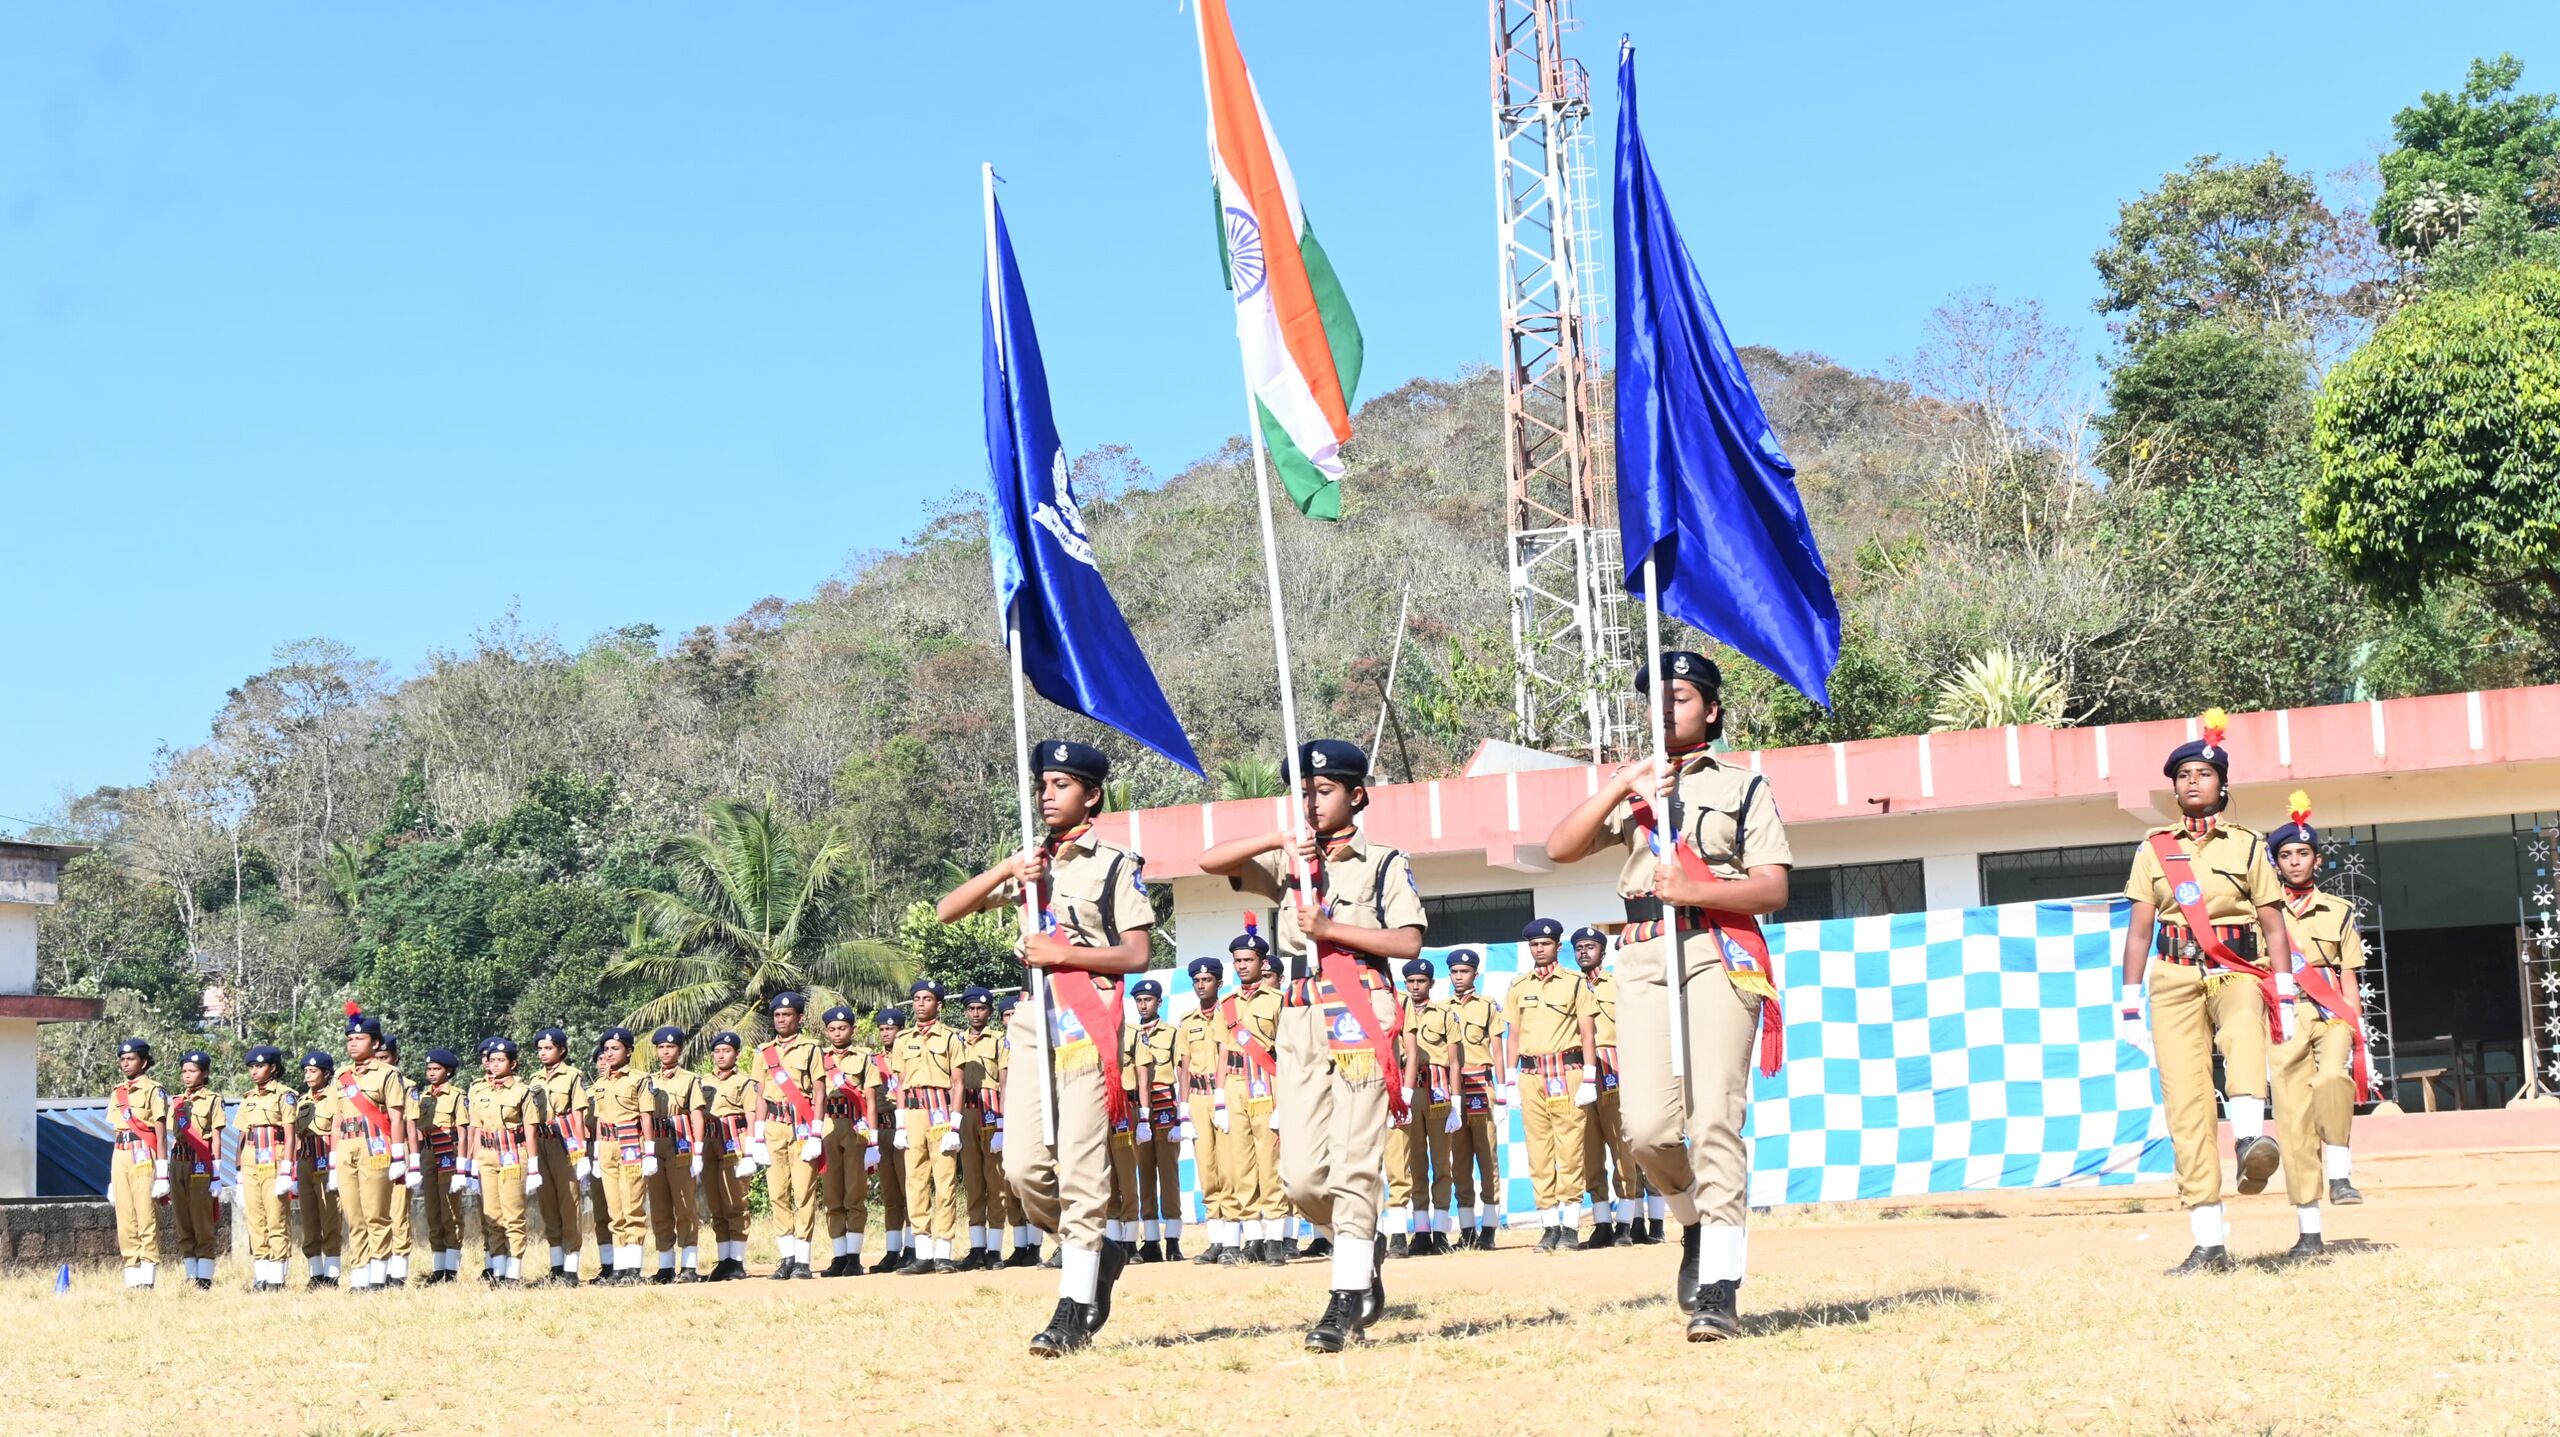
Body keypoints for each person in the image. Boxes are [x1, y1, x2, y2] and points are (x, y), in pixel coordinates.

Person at [1544, 651, 1794, 1340]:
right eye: (1653, 699)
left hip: (1718, 948)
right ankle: (1694, 1223)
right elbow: (1558, 847)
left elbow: (1773, 886)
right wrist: (1623, 782)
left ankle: (1720, 1285)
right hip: (1643, 956)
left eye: (1679, 697)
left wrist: (1696, 887)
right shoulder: (1636, 790)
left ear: (1710, 710)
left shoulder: (1744, 786)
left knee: (1713, 1118)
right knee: (1647, 1131)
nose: (1663, 709)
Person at [1200, 738, 1427, 1353]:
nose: (1311, 801)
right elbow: (1210, 861)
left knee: (1354, 1162)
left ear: (1356, 795)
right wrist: (1279, 839)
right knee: (1301, 1177)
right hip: (1298, 1018)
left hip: (1359, 1011)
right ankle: (1361, 1242)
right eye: (1301, 792)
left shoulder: (1383, 862)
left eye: (1323, 790)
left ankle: (1345, 1298)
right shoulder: (1291, 862)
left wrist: (1330, 928)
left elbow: (1408, 942)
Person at [936, 738, 1154, 1356]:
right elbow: (948, 911)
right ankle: (1099, 1251)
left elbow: (1137, 954)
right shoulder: (1033, 865)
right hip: (1034, 1023)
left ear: (1092, 795)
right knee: (1023, 1168)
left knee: (1082, 1167)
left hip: (1088, 1018)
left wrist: (1061, 952)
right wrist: (1009, 870)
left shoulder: (1114, 864)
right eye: (1043, 785)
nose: (1047, 795)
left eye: (1062, 785)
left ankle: (1073, 1306)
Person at [2115, 710, 2300, 1273]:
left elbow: (2273, 925)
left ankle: (2248, 1140)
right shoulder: (2154, 850)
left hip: (2236, 967)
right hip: (2172, 978)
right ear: (2174, 788)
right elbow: (2140, 931)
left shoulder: (2248, 846)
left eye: (2204, 774)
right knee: (2186, 1106)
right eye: (2183, 775)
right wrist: (2128, 1002)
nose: (2192, 782)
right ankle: (2209, 1242)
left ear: (2223, 785)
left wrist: (2285, 990)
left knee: (2242, 1030)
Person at [2270, 793, 2367, 1230]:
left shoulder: (2339, 911)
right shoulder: (2264, 913)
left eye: (2303, 853)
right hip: (2285, 1015)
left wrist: (2354, 1023)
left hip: (2331, 1014)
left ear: (2318, 859)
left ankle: (2340, 1175)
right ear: (2276, 863)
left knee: (2331, 1080)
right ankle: (2309, 1227)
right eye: (2286, 855)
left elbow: (2349, 974)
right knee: (2294, 1118)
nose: (2295, 862)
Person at [1502, 919, 1599, 1252]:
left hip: (1567, 1072)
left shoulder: (1575, 983)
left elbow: (1588, 1032)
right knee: (1538, 1151)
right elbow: (1513, 1036)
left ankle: (1570, 1226)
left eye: (1545, 943)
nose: (1539, 949)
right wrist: (1509, 1081)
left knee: (1570, 1149)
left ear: (1558, 946)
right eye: (1534, 944)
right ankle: (1549, 1225)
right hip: (1531, 1076)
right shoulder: (1518, 985)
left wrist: (1589, 1077)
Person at [1575, 924, 1651, 1247]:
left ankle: (1628, 1223)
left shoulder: (1617, 984)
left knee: (1622, 1148)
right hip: (1580, 1071)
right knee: (1589, 1151)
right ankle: (1602, 1223)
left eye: (1590, 947)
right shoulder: (1570, 986)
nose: (1584, 952)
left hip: (1614, 1067)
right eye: (1579, 948)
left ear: (1603, 953)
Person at [1217, 928, 1286, 1264]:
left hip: (1267, 1083)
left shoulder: (1277, 1001)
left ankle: (1275, 1240)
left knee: (1270, 1162)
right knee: (1240, 1164)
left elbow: (1287, 1052)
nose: (1242, 966)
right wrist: (1218, 1097)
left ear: (1263, 963)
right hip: (1234, 1084)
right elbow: (1221, 1051)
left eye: (1248, 960)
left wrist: (1285, 1100)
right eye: (1237, 961)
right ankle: (1254, 1238)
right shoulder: (1226, 1004)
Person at [891, 978, 968, 1274]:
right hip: (912, 1114)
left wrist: (955, 1126)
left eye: (927, 999)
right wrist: (899, 1124)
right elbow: (900, 1084)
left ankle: (943, 1252)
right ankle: (922, 1253)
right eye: (917, 999)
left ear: (939, 1005)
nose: (920, 1004)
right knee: (915, 1181)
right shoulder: (902, 1039)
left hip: (941, 1114)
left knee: (945, 1182)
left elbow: (958, 1084)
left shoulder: (950, 1038)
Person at [1386, 957, 1455, 1258]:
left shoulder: (1444, 1013)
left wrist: (1457, 1102)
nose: (1415, 986)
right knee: (1413, 1164)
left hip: (1437, 1091)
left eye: (1421, 981)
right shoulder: (1395, 1009)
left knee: (1441, 1163)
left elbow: (1455, 1060)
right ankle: (1421, 1231)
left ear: (1431, 983)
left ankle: (1440, 1232)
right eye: (1411, 981)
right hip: (1408, 1090)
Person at [756, 992, 827, 1280]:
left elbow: (819, 1093)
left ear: (799, 1018)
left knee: (804, 1193)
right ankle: (787, 1257)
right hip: (773, 1126)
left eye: (787, 1015)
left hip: (801, 1127)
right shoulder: (764, 1052)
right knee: (777, 1194)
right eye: (777, 1015)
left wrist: (817, 1133)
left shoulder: (811, 1049)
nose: (781, 1019)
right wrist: (757, 1137)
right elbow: (760, 1095)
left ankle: (803, 1261)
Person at [467, 1036, 543, 1287]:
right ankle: (498, 1271)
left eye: (501, 1060)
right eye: (492, 1060)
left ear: (513, 1063)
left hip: (513, 1154)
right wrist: (472, 1163)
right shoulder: (479, 1091)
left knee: (513, 1215)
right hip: (487, 1155)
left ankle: (513, 1272)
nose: (495, 1064)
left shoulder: (523, 1092)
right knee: (492, 1215)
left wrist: (534, 1166)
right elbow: (476, 1129)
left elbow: (530, 1130)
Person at [1442, 950, 1505, 1250]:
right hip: (1454, 1089)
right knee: (1459, 1160)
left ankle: (1489, 1228)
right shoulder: (1441, 1008)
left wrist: (1503, 1090)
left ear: (1475, 975)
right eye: (1454, 972)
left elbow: (1498, 1049)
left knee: (1487, 1156)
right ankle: (1467, 1230)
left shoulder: (1487, 1005)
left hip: (1481, 1084)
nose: (1459, 977)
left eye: (1464, 972)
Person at [1174, 957, 1236, 1264]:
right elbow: (1183, 1068)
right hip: (1198, 1098)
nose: (1201, 985)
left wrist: (1224, 1099)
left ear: (1219, 983)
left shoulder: (1230, 1015)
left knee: (1230, 1169)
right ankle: (1216, 1241)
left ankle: (1235, 1241)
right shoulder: (1187, 1021)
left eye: (1207, 980)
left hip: (1225, 1095)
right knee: (1207, 1171)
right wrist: (1183, 1110)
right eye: (1197, 981)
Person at [588, 1026, 659, 1286]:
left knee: (632, 1208)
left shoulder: (639, 1079)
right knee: (614, 1211)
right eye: (606, 1049)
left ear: (629, 1051)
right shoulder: (600, 1083)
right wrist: (597, 1153)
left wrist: (649, 1151)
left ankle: (633, 1269)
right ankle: (618, 1268)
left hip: (630, 1143)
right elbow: (599, 1119)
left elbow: (646, 1116)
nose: (609, 1054)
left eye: (615, 1049)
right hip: (607, 1145)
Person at [647, 1025, 710, 1283]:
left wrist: (699, 1151)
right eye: (661, 1047)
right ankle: (665, 1267)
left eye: (670, 1047)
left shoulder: (689, 1079)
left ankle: (689, 1266)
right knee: (659, 1206)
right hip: (655, 1143)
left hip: (680, 1145)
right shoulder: (648, 1080)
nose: (665, 1051)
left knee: (685, 1206)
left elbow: (697, 1115)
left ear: (680, 1050)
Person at [816, 1003, 875, 1277]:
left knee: (854, 1193)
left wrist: (873, 1141)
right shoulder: (819, 1058)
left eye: (842, 1028)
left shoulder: (863, 1057)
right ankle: (838, 1256)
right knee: (832, 1195)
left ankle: (854, 1257)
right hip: (828, 1127)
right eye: (832, 1029)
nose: (837, 1033)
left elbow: (870, 1101)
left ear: (853, 1029)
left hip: (855, 1128)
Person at [529, 1026, 591, 1286]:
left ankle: (571, 1269)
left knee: (568, 1202)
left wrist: (582, 1153)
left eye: (549, 1048)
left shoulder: (573, 1076)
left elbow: (578, 1115)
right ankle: (556, 1267)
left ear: (561, 1050)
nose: (543, 1053)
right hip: (541, 1142)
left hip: (565, 1143)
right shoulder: (534, 1079)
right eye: (540, 1049)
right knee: (548, 1203)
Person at [1129, 977, 1185, 1263]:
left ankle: (1173, 1240)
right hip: (1139, 1108)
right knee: (1144, 1174)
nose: (1143, 1005)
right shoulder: (1130, 1034)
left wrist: (1182, 1115)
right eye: (1139, 1000)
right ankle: (1150, 1241)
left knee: (1168, 1173)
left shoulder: (1172, 1033)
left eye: (1148, 1000)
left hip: (1164, 1105)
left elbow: (1182, 1071)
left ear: (1159, 1002)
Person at [108, 1037, 170, 1290]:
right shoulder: (117, 1092)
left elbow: (161, 1133)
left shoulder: (154, 1090)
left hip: (144, 1152)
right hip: (121, 1152)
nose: (125, 1063)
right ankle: (132, 1278)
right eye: (122, 1059)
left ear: (143, 1062)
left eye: (131, 1059)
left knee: (145, 1214)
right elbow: (116, 1131)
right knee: (125, 1218)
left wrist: (163, 1172)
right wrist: (112, 1177)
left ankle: (147, 1277)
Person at [235, 1046, 299, 1293]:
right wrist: (238, 1172)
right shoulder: (248, 1097)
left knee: (276, 1218)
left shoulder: (285, 1095)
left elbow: (291, 1135)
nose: (254, 1071)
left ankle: (277, 1278)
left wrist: (287, 1169)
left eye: (259, 1066)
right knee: (256, 1219)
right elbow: (242, 1135)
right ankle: (261, 1276)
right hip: (251, 1158)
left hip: (275, 1155)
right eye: (251, 1067)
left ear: (273, 1068)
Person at [956, 986, 1008, 1270]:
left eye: (981, 1009)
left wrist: (1002, 1123)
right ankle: (976, 1247)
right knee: (973, 1181)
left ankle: (995, 1249)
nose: (976, 1014)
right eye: (971, 1009)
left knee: (995, 1181)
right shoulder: (955, 1040)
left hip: (991, 1112)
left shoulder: (999, 1041)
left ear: (989, 1012)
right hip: (965, 1111)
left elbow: (1005, 1083)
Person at [702, 1031, 761, 1280]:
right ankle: (723, 1259)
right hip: (709, 1141)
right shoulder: (703, 1082)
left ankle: (737, 1260)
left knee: (736, 1202)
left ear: (737, 1054)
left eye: (726, 1051)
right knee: (715, 1204)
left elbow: (752, 1116)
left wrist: (751, 1151)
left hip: (734, 1140)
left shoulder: (744, 1082)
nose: (721, 1056)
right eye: (717, 1051)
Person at [169, 1049, 226, 1290]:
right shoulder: (177, 1102)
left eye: (192, 1071)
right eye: (184, 1071)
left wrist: (216, 1173)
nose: (187, 1075)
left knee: (202, 1221)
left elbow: (216, 1137)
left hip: (200, 1163)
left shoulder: (213, 1100)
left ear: (204, 1073)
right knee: (182, 1221)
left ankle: (204, 1278)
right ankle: (190, 1276)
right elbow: (175, 1136)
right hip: (178, 1163)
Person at [413, 1047, 469, 1285]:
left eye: (437, 1069)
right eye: (429, 1069)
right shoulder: (422, 1097)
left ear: (448, 1071)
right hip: (427, 1154)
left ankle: (451, 1269)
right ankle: (438, 1268)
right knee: (433, 1211)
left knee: (450, 1212)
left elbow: (463, 1133)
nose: (431, 1073)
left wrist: (462, 1167)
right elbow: (417, 1129)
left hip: (448, 1153)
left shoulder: (456, 1096)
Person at [993, 994, 1041, 1267]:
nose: (1011, 1020)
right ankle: (1021, 1246)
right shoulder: (1003, 1046)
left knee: (1035, 1179)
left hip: (1035, 1114)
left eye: (1015, 1014)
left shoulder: (1037, 1042)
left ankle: (1037, 1245)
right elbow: (1003, 1087)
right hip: (1010, 1116)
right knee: (1010, 1185)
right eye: (1007, 1016)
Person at [868, 1006, 916, 1271]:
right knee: (890, 1194)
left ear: (901, 1030)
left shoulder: (909, 1056)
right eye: (883, 1029)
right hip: (883, 1129)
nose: (886, 1033)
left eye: (891, 1029)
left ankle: (913, 1247)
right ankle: (891, 1250)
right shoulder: (873, 1061)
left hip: (905, 1127)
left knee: (911, 1190)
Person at [294, 1051, 343, 1289]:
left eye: (313, 1071)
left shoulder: (335, 1097)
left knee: (330, 1217)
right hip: (305, 1162)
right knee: (309, 1219)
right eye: (305, 1071)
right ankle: (315, 1274)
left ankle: (332, 1275)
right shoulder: (302, 1100)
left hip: (326, 1161)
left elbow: (337, 1129)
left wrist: (335, 1165)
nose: (308, 1075)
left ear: (326, 1073)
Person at [379, 1033, 423, 1288]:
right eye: (377, 1057)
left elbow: (411, 1126)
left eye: (385, 1057)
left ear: (396, 1058)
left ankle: (398, 1272)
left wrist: (414, 1162)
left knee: (397, 1212)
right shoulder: (362, 1084)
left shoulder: (407, 1086)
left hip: (400, 1151)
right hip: (374, 1150)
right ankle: (379, 1269)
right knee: (376, 1212)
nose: (381, 1062)